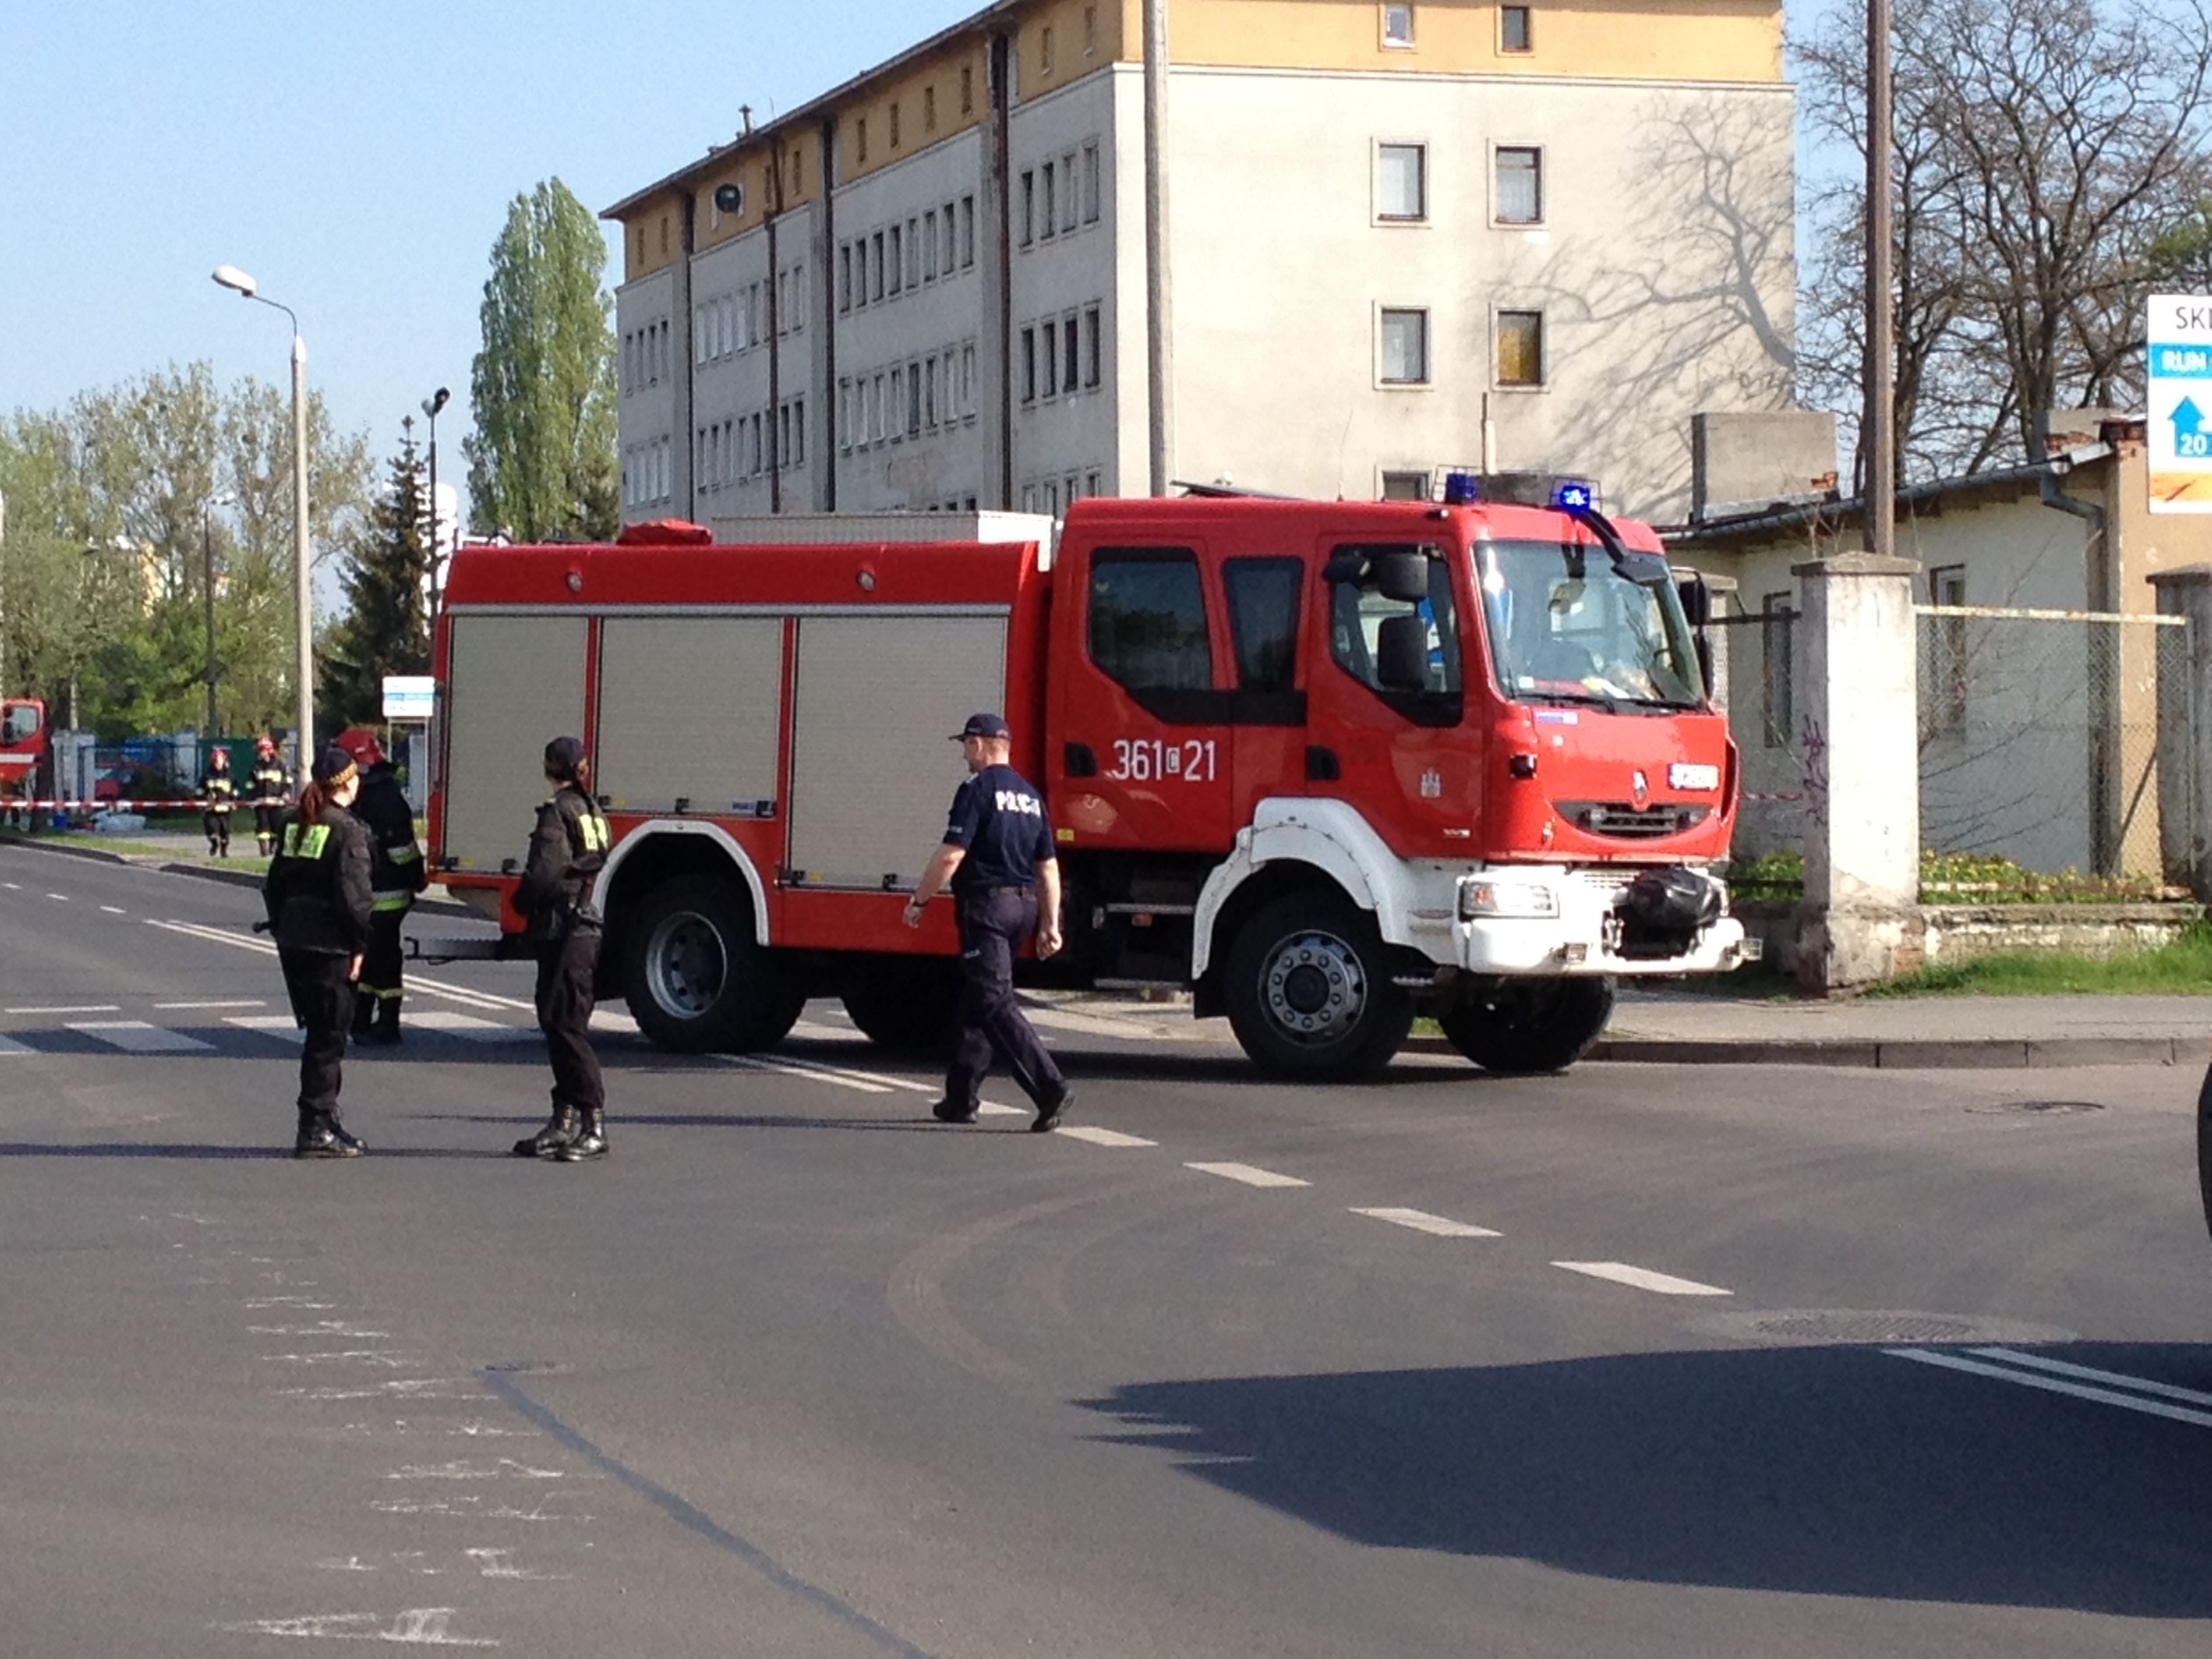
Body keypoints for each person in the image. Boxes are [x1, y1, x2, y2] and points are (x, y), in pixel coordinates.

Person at [902, 712, 1072, 1133]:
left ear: (979, 744)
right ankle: (961, 1099)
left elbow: (951, 855)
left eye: (966, 744)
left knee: (995, 1002)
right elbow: (1048, 867)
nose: (964, 753)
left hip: (988, 910)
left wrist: (919, 900)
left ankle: (1050, 1088)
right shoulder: (1031, 796)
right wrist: (1051, 925)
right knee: (978, 997)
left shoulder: (977, 790)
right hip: (1023, 908)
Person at [262, 746, 374, 1159]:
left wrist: (282, 926)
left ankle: (325, 1120)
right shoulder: (346, 829)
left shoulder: (296, 821)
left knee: (318, 1034)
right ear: (347, 782)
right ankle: (314, 1129)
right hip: (331, 945)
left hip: (294, 941)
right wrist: (360, 945)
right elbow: (355, 898)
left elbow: (273, 885)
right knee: (329, 1039)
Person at [512, 736, 612, 1162]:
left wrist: (521, 903)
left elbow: (544, 874)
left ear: (551, 769)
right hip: (582, 925)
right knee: (559, 1022)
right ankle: (563, 1121)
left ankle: (592, 1125)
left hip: (563, 929)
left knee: (567, 1027)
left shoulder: (557, 813)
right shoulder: (593, 811)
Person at [335, 729, 428, 1046]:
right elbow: (405, 850)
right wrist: (417, 876)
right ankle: (362, 1020)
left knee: (381, 959)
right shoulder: (381, 792)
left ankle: (386, 1023)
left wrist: (415, 875)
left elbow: (400, 847)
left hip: (382, 894)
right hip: (377, 892)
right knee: (372, 957)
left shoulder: (375, 796)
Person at [249, 736, 291, 857]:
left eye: (261, 750)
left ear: (268, 750)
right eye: (259, 750)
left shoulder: (280, 764)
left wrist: (286, 793)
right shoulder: (256, 766)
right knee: (262, 826)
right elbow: (251, 784)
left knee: (276, 826)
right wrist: (251, 798)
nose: (260, 753)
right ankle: (264, 849)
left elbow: (287, 781)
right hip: (261, 802)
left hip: (277, 802)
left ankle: (273, 844)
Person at [199, 744, 237, 857]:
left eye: (220, 761)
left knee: (225, 831)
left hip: (225, 809)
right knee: (211, 830)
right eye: (216, 762)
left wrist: (234, 801)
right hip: (211, 809)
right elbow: (200, 789)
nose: (218, 764)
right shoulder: (207, 776)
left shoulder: (230, 776)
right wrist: (203, 799)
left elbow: (235, 790)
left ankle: (224, 851)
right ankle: (214, 845)